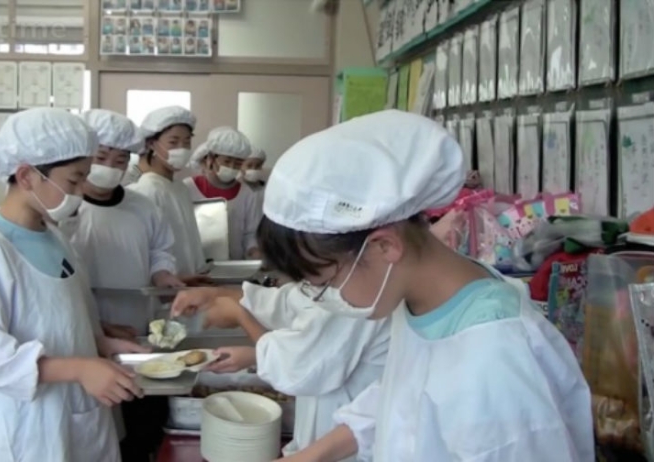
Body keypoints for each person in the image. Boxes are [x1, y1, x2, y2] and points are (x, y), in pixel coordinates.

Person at [250, 110, 592, 462]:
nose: (324, 301)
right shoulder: (424, 298)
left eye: (323, 285)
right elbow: (401, 400)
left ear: (385, 247)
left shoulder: (493, 354)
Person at [0, 108, 147, 462]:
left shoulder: (53, 234)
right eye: (72, 181)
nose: (81, 190)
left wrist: (101, 340)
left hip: (77, 412)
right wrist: (81, 368)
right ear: (26, 175)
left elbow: (62, 313)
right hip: (28, 424)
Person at [171, 284, 389, 461]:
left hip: (347, 443)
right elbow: (289, 301)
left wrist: (241, 317)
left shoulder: (358, 292)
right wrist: (215, 294)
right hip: (326, 441)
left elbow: (300, 368)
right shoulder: (333, 279)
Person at [68, 109, 185, 337]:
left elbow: (160, 249)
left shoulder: (144, 207)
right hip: (85, 322)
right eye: (101, 158)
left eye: (120, 160)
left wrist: (161, 273)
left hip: (137, 319)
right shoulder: (67, 208)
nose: (110, 167)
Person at [129, 106, 208, 277]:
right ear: (151, 144)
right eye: (173, 142)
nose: (182, 148)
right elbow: (148, 251)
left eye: (187, 142)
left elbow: (190, 241)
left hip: (188, 284)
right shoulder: (146, 189)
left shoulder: (180, 188)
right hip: (165, 289)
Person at [183, 127, 261, 260]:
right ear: (210, 159)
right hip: (195, 265)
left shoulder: (246, 193)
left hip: (234, 265)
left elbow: (251, 234)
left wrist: (253, 251)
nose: (231, 167)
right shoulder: (187, 188)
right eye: (227, 161)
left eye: (237, 164)